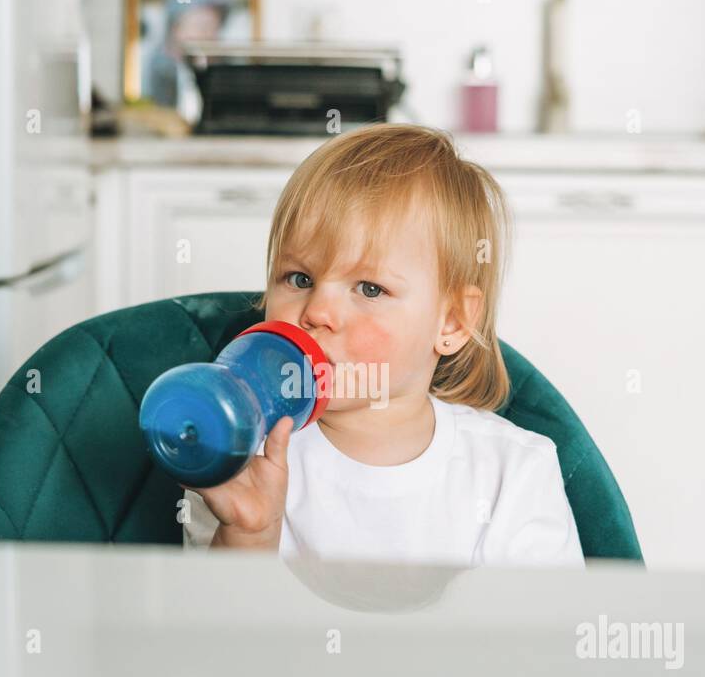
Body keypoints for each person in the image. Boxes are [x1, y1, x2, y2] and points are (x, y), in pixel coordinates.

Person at [181, 123, 585, 569]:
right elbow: (223, 634)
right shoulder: (240, 455)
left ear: (451, 321)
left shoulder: (514, 474)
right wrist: (248, 535)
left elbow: (542, 635)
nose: (317, 312)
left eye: (370, 289)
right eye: (300, 279)